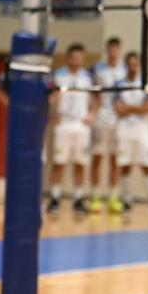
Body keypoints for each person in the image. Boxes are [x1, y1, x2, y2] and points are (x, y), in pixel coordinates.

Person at [46, 43, 98, 215]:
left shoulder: (88, 77)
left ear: (83, 59)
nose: (76, 60)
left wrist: (92, 114)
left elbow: (97, 98)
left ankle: (79, 198)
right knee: (59, 162)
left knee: (80, 163)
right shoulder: (58, 75)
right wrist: (53, 113)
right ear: (68, 58)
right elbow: (51, 96)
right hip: (63, 124)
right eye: (73, 57)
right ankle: (55, 197)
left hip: (81, 126)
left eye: (79, 57)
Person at [113, 52, 148, 217]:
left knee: (147, 165)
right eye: (130, 64)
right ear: (126, 65)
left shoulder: (145, 83)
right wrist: (138, 108)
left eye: (135, 64)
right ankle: (127, 201)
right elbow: (119, 109)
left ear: (139, 65)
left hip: (142, 130)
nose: (133, 67)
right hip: (124, 130)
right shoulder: (119, 84)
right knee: (125, 165)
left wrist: (130, 108)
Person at [91, 37, 126, 213]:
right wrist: (93, 110)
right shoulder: (98, 68)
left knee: (115, 160)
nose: (113, 52)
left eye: (116, 49)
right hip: (101, 119)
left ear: (120, 51)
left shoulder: (124, 70)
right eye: (111, 49)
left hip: (119, 121)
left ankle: (113, 197)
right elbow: (92, 90)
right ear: (107, 51)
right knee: (97, 158)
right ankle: (96, 197)